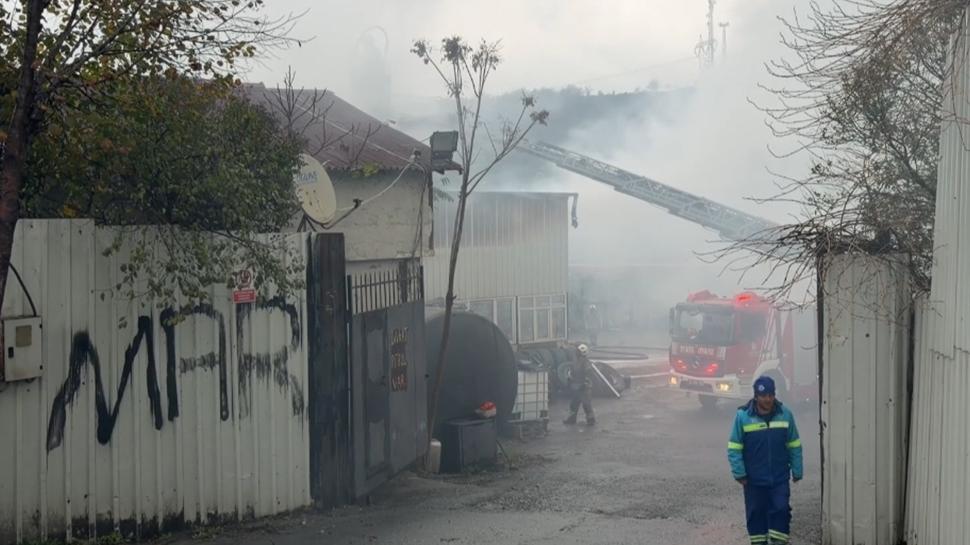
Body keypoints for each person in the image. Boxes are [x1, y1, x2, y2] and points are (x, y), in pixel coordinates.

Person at [727, 376, 803, 545]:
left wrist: (797, 469)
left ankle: (778, 542)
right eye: (763, 396)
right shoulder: (742, 417)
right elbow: (734, 447)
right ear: (756, 396)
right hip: (754, 480)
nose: (768, 399)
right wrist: (739, 473)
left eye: (770, 395)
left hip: (779, 478)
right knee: (756, 514)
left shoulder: (786, 415)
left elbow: (794, 444)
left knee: (781, 510)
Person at [563, 344, 596, 426]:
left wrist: (585, 383)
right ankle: (572, 419)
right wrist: (569, 379)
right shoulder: (576, 360)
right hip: (576, 386)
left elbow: (589, 374)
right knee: (573, 404)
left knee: (586, 404)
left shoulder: (586, 362)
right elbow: (572, 371)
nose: (576, 352)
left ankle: (591, 420)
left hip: (584, 387)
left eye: (578, 351)